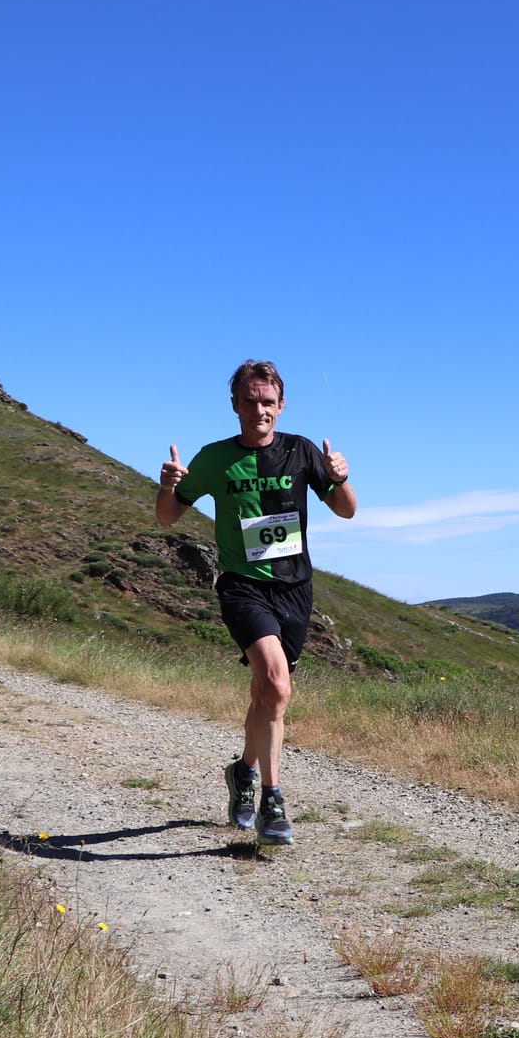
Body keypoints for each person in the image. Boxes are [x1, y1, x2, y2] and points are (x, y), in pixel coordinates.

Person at [155, 359, 356, 844]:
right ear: (235, 406)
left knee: (266, 695)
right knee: (277, 686)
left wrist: (341, 476)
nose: (259, 410)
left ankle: (242, 772)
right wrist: (167, 486)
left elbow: (346, 510)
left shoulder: (301, 451)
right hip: (243, 586)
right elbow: (167, 518)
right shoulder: (214, 458)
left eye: (268, 402)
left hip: (294, 588)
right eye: (250, 401)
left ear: (281, 406)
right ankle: (272, 800)